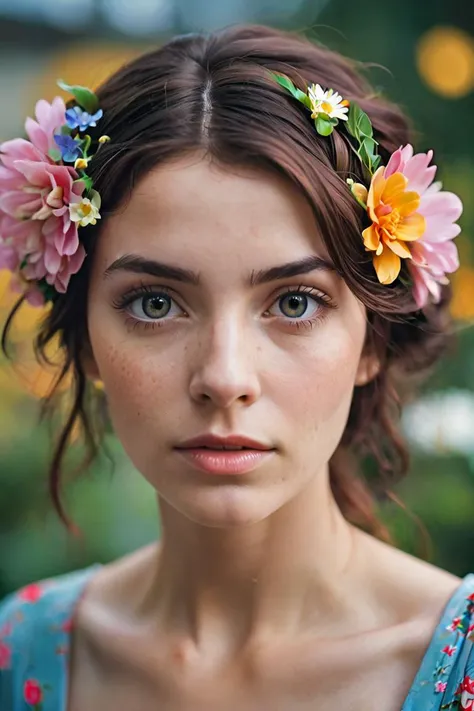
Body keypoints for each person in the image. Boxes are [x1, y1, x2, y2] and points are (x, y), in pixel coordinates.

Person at [0, 23, 470, 711]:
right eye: (155, 302)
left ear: (372, 337)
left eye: (295, 301)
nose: (223, 376)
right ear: (85, 336)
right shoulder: (19, 654)